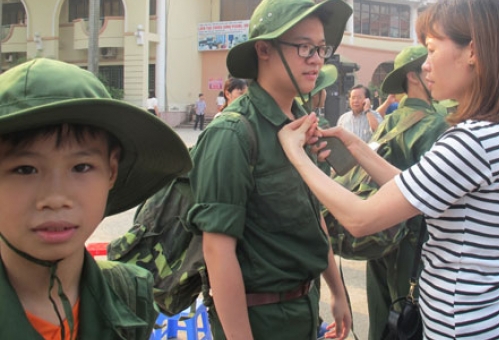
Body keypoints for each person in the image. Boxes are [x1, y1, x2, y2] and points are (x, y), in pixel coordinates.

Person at [277, 0, 499, 338]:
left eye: (432, 50)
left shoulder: (471, 140)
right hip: (495, 317)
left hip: (464, 328)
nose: (427, 66)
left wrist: (296, 154)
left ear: (472, 50)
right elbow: (419, 185)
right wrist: (354, 145)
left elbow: (361, 219)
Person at [187, 0, 353, 339]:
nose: (317, 59)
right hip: (259, 320)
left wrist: (337, 291)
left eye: (321, 48)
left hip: (304, 308)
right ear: (264, 49)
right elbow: (218, 250)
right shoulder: (232, 134)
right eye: (305, 47)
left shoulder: (300, 125)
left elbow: (312, 215)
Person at [0, 58, 191, 339]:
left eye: (81, 167)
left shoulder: (129, 293)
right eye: (25, 169)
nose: (55, 199)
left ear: (111, 172)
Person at [362, 45, 449, 340]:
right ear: (413, 76)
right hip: (414, 244)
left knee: (379, 320)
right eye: (427, 67)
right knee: (409, 323)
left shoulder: (388, 122)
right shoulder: (435, 123)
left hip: (379, 236)